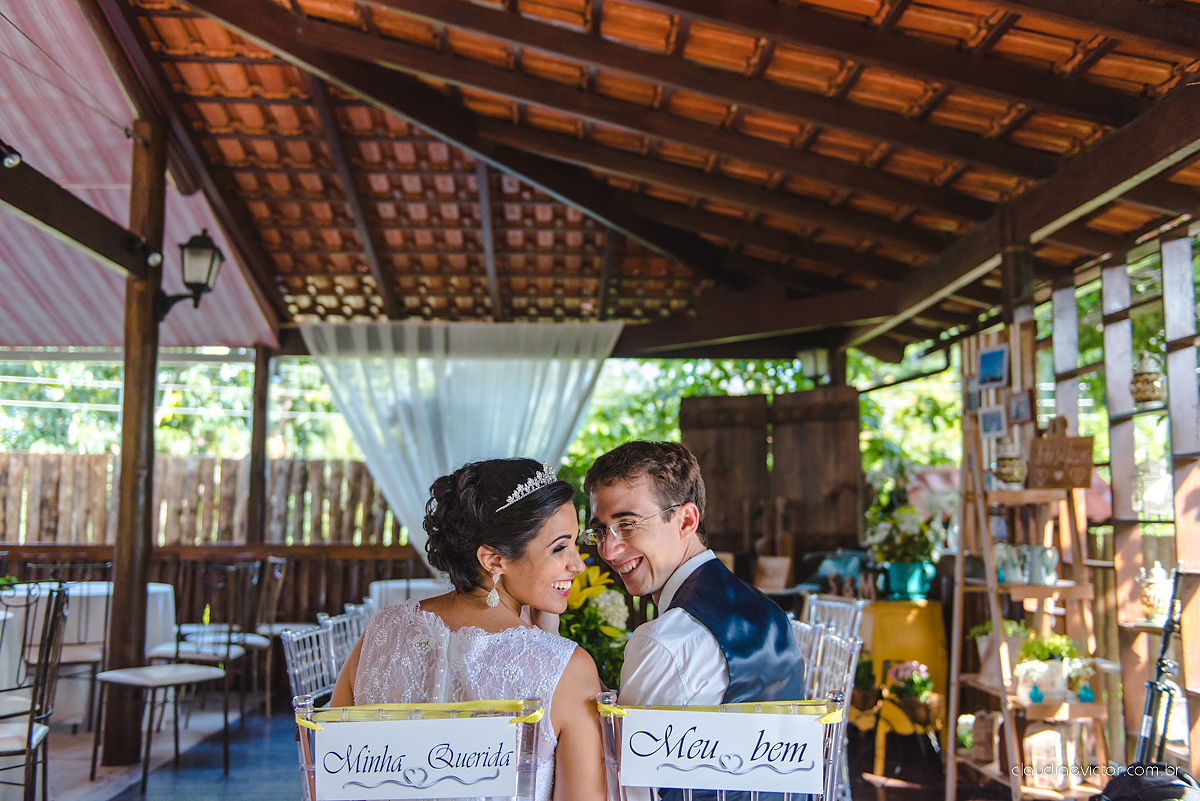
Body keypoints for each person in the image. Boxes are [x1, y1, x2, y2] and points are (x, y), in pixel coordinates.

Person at [331, 458, 607, 801]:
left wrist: (543, 636)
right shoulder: (568, 669)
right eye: (559, 547)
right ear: (493, 560)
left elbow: (328, 777)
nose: (578, 564)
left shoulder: (380, 632)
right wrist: (549, 646)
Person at [585, 441, 806, 800]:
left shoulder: (666, 641)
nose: (608, 551)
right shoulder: (768, 610)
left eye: (627, 525)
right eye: (600, 531)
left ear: (686, 519)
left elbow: (631, 789)